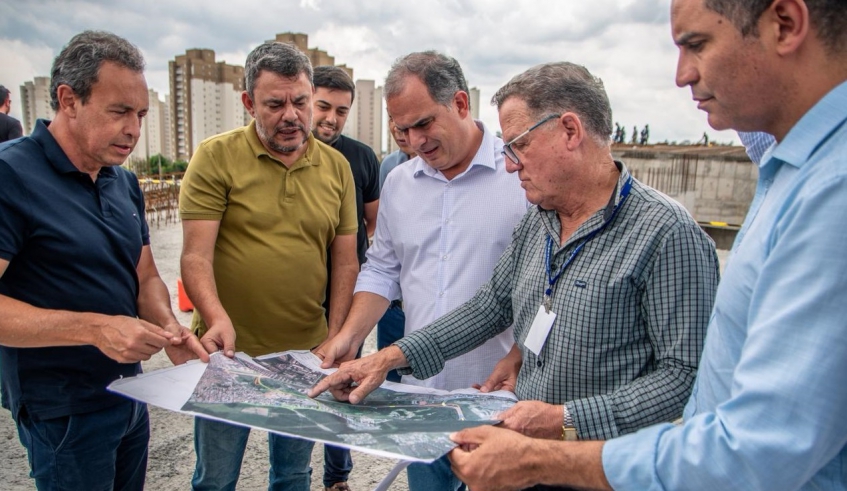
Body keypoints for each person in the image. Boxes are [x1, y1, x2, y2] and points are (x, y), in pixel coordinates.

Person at [443, 0, 847, 490]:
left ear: (785, 24)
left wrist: (550, 446)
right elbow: (493, 304)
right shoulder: (789, 173)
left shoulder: (824, 193)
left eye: (696, 44)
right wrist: (393, 356)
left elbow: (755, 440)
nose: (680, 75)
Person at [311, 59, 719, 488]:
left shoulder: (667, 234)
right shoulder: (540, 219)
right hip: (518, 452)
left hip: (600, 472)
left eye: (518, 146)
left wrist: (563, 420)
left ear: (570, 131)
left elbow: (684, 375)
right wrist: (388, 358)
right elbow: (491, 306)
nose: (508, 165)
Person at [311, 51, 528, 491]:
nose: (414, 140)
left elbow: (550, 284)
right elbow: (382, 270)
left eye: (424, 124)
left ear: (462, 104)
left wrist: (524, 353)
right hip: (420, 390)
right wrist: (349, 337)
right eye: (403, 129)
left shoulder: (520, 176)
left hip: (501, 395)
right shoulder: (399, 184)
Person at [0, 30, 207, 491]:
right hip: (63, 411)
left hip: (130, 395)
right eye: (119, 112)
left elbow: (145, 274)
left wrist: (169, 327)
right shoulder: (10, 175)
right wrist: (96, 329)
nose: (133, 129)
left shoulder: (121, 181)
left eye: (141, 114)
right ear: (68, 100)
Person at [179, 42, 359, 491]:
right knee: (215, 478)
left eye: (299, 101)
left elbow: (346, 262)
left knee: (293, 474)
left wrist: (335, 336)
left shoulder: (337, 167)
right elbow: (195, 256)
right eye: (274, 104)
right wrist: (216, 317)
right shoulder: (215, 156)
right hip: (228, 357)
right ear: (248, 103)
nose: (291, 115)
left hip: (306, 356)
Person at [311, 64, 380, 491]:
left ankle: (337, 478)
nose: (331, 119)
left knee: (342, 382)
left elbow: (372, 223)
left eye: (341, 110)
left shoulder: (361, 157)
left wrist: (347, 264)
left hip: (348, 292)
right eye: (322, 106)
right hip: (298, 296)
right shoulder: (294, 152)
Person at [376, 116, 418, 384]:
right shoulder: (390, 168)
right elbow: (383, 249)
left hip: (425, 310)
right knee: (388, 383)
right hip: (392, 305)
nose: (399, 130)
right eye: (392, 119)